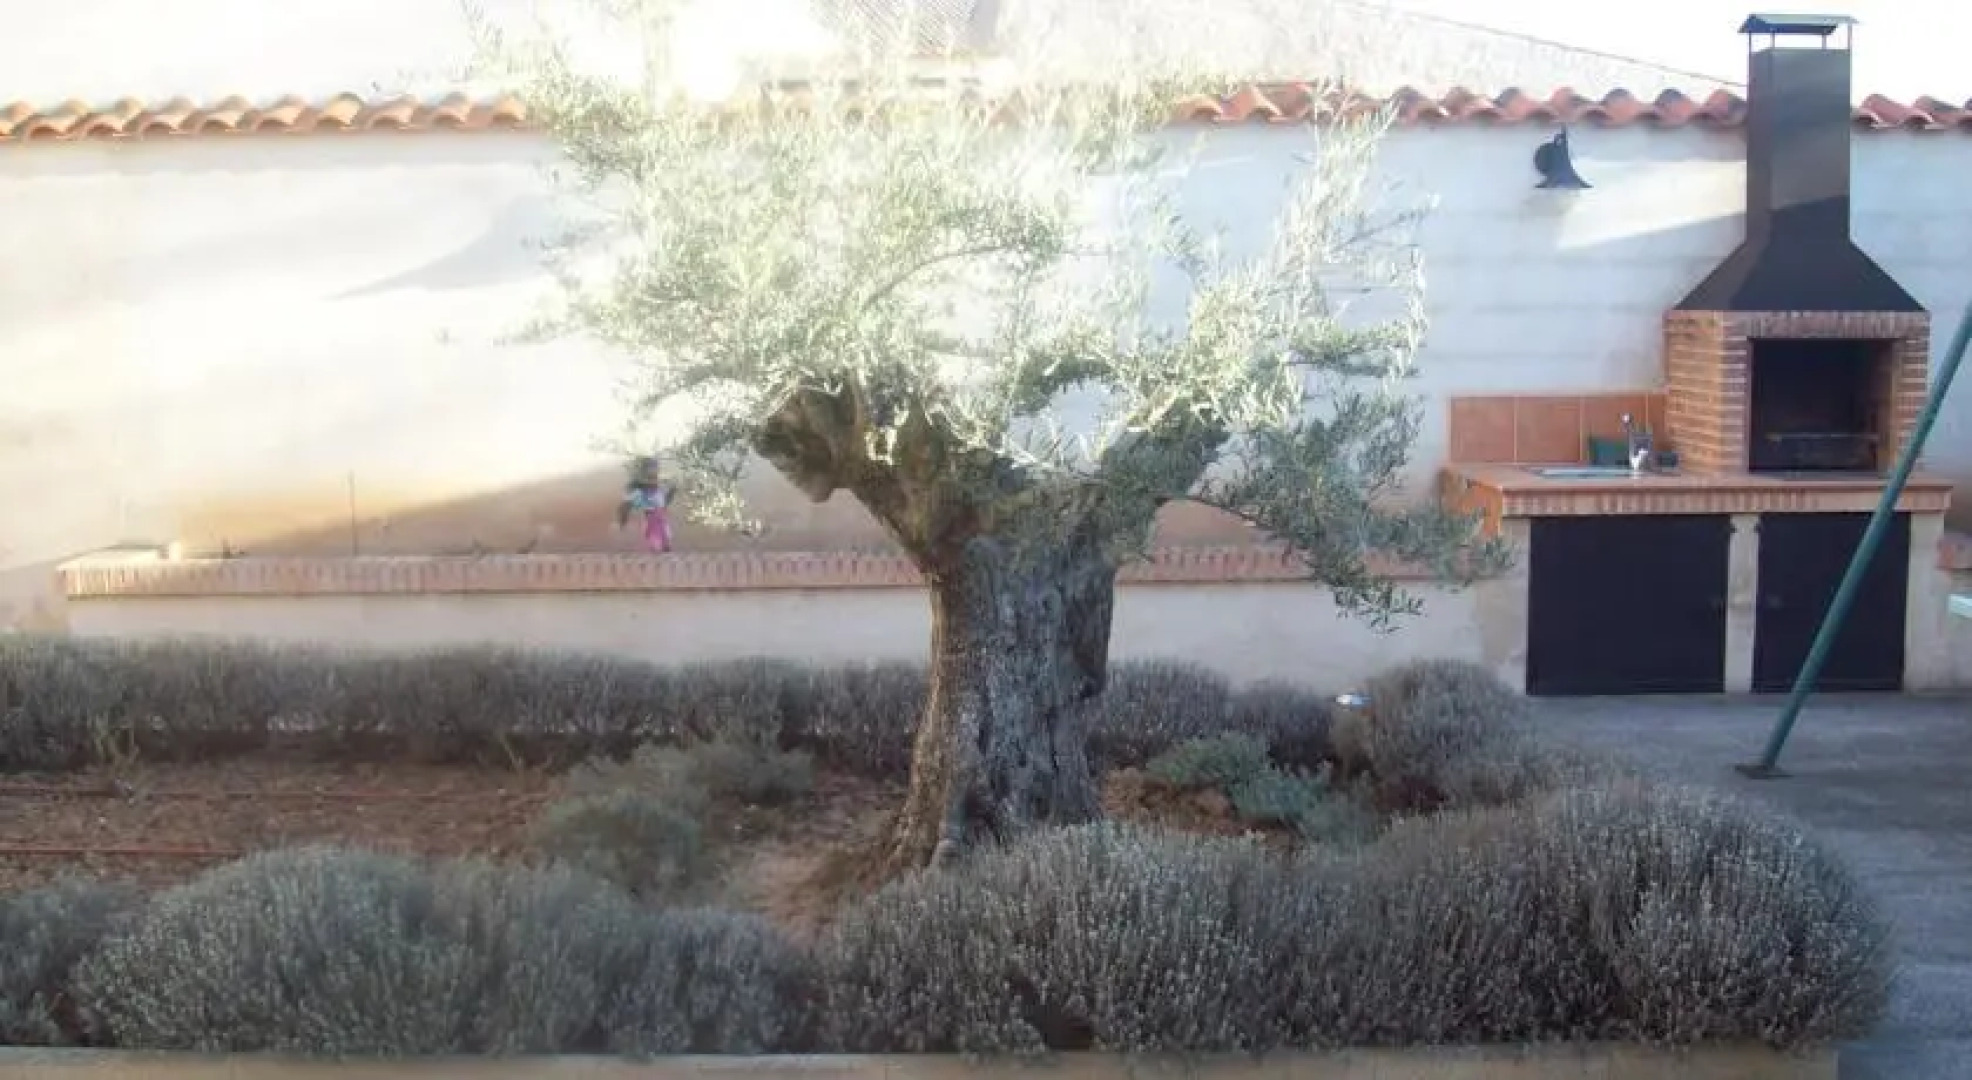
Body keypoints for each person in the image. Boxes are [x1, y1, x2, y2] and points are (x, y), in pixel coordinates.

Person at [616, 457, 675, 553]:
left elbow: (666, 498)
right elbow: (625, 506)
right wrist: (623, 521)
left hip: (660, 519)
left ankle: (661, 550)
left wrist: (671, 491)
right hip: (652, 520)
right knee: (657, 543)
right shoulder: (638, 493)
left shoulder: (659, 489)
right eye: (651, 468)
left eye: (655, 468)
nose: (654, 472)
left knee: (665, 543)